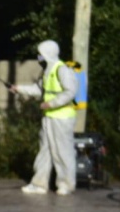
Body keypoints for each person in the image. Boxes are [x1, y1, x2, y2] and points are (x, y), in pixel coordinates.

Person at [10, 39, 79, 195]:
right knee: (44, 151)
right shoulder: (48, 71)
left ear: (48, 54)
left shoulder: (62, 70)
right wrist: (18, 89)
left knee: (63, 152)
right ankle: (39, 184)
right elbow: (39, 89)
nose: (38, 57)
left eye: (40, 54)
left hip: (62, 117)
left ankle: (66, 185)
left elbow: (70, 91)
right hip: (48, 117)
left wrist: (52, 104)